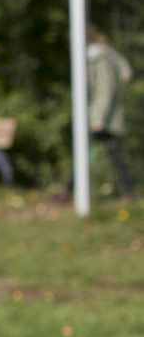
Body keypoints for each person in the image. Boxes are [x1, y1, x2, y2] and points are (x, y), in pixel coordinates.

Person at [59, 25, 135, 205]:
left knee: (94, 153)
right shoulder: (94, 57)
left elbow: (105, 90)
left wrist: (98, 118)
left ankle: (68, 192)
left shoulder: (100, 58)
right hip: (98, 116)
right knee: (102, 153)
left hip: (102, 119)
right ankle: (68, 191)